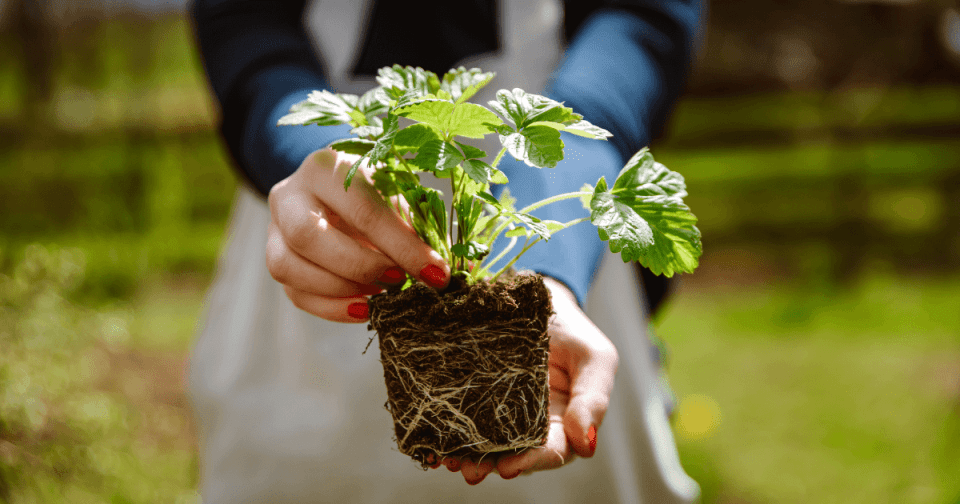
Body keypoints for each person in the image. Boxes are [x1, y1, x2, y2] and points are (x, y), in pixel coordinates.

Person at [188, 0, 704, 501]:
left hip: (564, 211)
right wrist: (318, 158)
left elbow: (639, 25)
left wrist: (550, 272)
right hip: (316, 219)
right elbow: (244, 23)